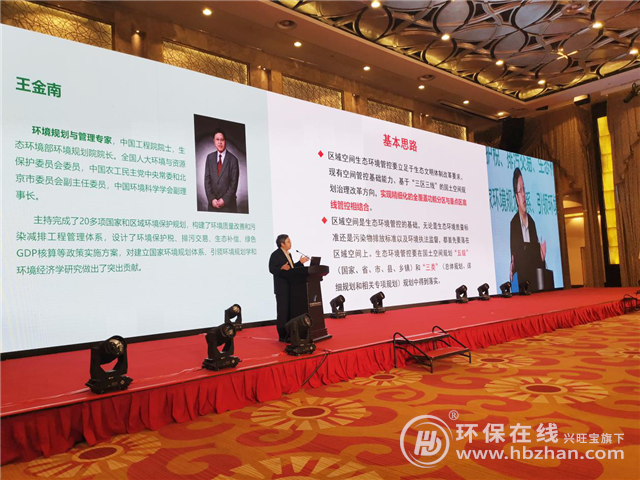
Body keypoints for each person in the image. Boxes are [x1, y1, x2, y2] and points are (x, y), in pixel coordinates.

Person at [509, 168, 546, 288]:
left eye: (524, 189)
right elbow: (515, 259)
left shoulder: (532, 223)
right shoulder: (514, 224)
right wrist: (513, 266)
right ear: (516, 197)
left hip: (535, 284)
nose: (524, 194)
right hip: (522, 285)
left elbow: (537, 262)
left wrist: (541, 257)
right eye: (520, 191)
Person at [268, 234, 309, 341]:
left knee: (290, 312)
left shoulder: (288, 254)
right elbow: (271, 269)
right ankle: (282, 335)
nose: (290, 243)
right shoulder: (276, 254)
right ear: (282, 244)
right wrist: (280, 268)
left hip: (291, 287)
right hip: (282, 288)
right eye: (288, 242)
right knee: (283, 312)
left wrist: (300, 263)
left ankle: (291, 333)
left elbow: (291, 269)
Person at [204, 129, 239, 213]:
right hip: (212, 205)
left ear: (225, 141)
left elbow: (234, 183)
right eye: (217, 139)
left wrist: (224, 200)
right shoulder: (209, 158)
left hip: (228, 206)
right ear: (214, 141)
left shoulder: (233, 159)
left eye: (222, 140)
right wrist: (212, 199)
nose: (220, 142)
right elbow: (207, 180)